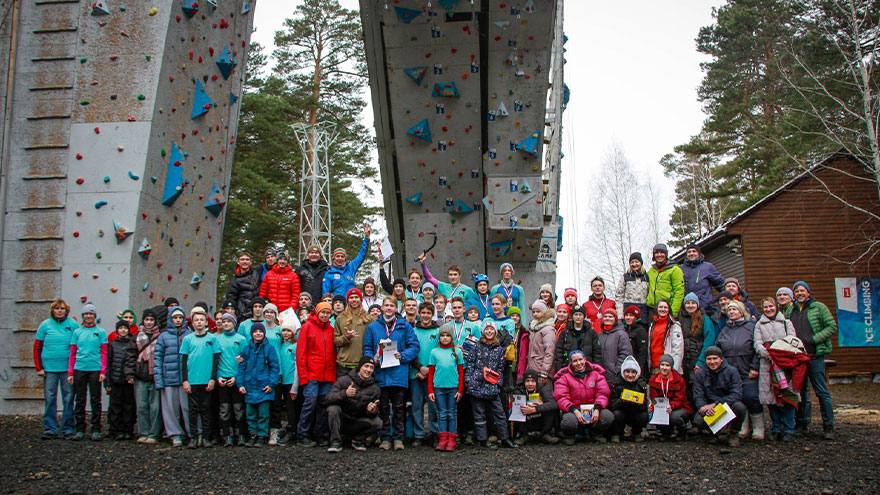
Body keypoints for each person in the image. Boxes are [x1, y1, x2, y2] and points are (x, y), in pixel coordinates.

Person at [363, 296, 420, 450]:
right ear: (382, 308)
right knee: (383, 408)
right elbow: (367, 347)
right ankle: (385, 437)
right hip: (381, 374)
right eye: (386, 305)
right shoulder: (373, 327)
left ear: (396, 308)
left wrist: (403, 355)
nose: (388, 308)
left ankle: (398, 438)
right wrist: (372, 358)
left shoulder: (404, 326)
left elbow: (414, 346)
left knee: (399, 408)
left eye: (391, 306)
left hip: (398, 373)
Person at [786, 280, 837, 440]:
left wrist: (814, 339)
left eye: (802, 291)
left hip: (815, 356)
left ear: (808, 292)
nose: (799, 293)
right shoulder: (791, 309)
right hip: (798, 358)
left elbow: (831, 326)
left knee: (822, 392)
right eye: (797, 291)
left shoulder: (818, 307)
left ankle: (829, 426)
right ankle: (803, 424)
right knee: (801, 393)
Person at [464, 323, 517, 449]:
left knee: (500, 413)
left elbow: (501, 368)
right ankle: (483, 440)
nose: (489, 331)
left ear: (495, 332)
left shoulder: (499, 349)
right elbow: (470, 364)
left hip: (492, 385)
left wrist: (498, 383)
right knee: (479, 414)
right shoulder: (476, 347)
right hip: (476, 385)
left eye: (491, 329)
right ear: (483, 331)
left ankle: (504, 438)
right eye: (487, 329)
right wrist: (469, 381)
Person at [715, 301, 762, 441]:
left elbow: (757, 348)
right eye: (729, 310)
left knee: (751, 396)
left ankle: (759, 427)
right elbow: (718, 348)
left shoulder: (751, 327)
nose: (732, 312)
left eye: (734, 309)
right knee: (737, 398)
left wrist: (755, 367)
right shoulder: (725, 329)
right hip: (730, 369)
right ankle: (743, 425)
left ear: (741, 311)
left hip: (747, 367)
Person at [34, 299, 78, 440]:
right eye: (57, 308)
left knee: (69, 398)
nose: (59, 310)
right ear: (52, 310)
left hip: (67, 369)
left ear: (67, 310)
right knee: (50, 398)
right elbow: (37, 347)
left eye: (62, 308)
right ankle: (50, 428)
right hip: (49, 369)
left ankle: (68, 428)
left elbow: (78, 346)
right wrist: (39, 367)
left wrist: (75, 367)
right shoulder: (45, 325)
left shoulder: (73, 325)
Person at [753, 297, 797, 441]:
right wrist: (768, 354)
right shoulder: (759, 325)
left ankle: (789, 429)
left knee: (787, 395)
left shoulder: (786, 322)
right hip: (767, 364)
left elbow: (792, 340)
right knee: (771, 397)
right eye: (765, 307)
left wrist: (779, 352)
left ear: (775, 306)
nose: (769, 309)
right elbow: (757, 344)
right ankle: (776, 427)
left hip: (785, 364)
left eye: (771, 306)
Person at [295, 301, 337, 447]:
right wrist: (303, 376)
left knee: (323, 406)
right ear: (317, 313)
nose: (325, 315)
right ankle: (302, 434)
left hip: (327, 374)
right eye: (322, 312)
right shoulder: (307, 327)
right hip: (312, 374)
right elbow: (300, 354)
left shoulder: (331, 330)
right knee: (309, 404)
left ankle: (320, 434)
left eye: (327, 313)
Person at [553, 350, 614, 445]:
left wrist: (597, 409)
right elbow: (561, 397)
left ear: (585, 359)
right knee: (569, 421)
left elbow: (603, 393)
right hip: (574, 411)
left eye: (580, 359)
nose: (578, 363)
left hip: (594, 409)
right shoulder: (564, 377)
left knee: (608, 417)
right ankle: (571, 435)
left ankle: (595, 433)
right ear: (571, 363)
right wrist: (574, 410)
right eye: (575, 361)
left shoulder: (596, 374)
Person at [180, 307, 220, 448]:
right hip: (192, 381)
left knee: (206, 410)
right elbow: (183, 361)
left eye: (201, 320)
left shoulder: (212, 338)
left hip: (206, 380)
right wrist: (185, 380)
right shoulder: (187, 339)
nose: (199, 322)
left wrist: (212, 379)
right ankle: (193, 437)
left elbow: (216, 360)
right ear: (192, 323)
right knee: (192, 411)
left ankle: (206, 437)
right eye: (196, 320)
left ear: (206, 322)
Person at [692, 346, 748, 447]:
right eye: (709, 359)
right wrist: (702, 407)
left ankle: (733, 433)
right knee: (698, 420)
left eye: (715, 358)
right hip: (709, 407)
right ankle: (717, 433)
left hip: (727, 405)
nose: (712, 362)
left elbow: (737, 394)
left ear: (721, 359)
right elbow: (698, 395)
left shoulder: (732, 371)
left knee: (740, 407)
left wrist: (715, 405)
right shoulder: (700, 374)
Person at [67, 303, 108, 441]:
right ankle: (80, 429)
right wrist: (70, 372)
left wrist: (103, 370)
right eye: (86, 314)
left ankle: (96, 429)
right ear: (83, 316)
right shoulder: (77, 332)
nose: (88, 316)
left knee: (95, 400)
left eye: (91, 314)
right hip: (79, 369)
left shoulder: (101, 332)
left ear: (95, 316)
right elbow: (72, 353)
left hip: (95, 370)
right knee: (80, 400)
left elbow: (104, 352)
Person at [326, 357, 382, 452]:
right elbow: (328, 398)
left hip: (358, 421)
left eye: (371, 367)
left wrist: (372, 410)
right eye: (366, 366)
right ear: (359, 367)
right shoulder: (344, 380)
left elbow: (374, 413)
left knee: (378, 422)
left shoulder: (375, 388)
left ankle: (358, 440)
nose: (368, 370)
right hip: (342, 419)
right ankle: (336, 441)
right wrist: (345, 393)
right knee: (332, 409)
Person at [237, 322, 280, 447]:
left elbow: (275, 368)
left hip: (264, 387)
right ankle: (252, 434)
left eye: (260, 331)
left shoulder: (269, 348)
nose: (258, 333)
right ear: (252, 334)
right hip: (249, 387)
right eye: (255, 332)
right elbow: (241, 367)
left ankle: (262, 435)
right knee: (250, 414)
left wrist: (271, 384)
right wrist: (240, 384)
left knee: (263, 414)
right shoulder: (246, 349)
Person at [154, 306, 192, 447]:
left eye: (180, 317)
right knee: (170, 409)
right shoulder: (163, 336)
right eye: (175, 317)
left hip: (185, 379)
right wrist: (159, 379)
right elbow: (158, 358)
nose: (177, 320)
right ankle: (175, 434)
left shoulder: (189, 334)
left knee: (187, 407)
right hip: (168, 377)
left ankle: (191, 432)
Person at [428, 327, 465, 451]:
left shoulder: (457, 352)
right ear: (439, 337)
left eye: (447, 335)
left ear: (451, 337)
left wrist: (460, 390)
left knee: (452, 413)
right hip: (438, 388)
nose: (445, 338)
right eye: (442, 335)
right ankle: (442, 439)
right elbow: (431, 372)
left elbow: (461, 372)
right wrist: (430, 390)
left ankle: (452, 439)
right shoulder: (434, 352)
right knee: (442, 414)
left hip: (453, 388)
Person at [410, 302, 439, 446]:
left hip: (433, 375)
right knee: (417, 405)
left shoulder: (438, 331)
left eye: (428, 313)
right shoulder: (413, 331)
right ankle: (419, 435)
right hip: (416, 374)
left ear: (432, 314)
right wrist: (420, 368)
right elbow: (410, 351)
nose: (425, 316)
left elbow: (440, 352)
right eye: (423, 313)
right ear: (419, 314)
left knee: (433, 405)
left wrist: (428, 370)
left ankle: (434, 433)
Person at [216, 313, 247, 447]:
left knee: (238, 408)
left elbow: (245, 361)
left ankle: (240, 434)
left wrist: (237, 377)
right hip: (222, 377)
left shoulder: (241, 339)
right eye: (224, 321)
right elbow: (214, 360)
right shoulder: (216, 339)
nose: (226, 324)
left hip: (237, 378)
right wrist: (218, 377)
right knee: (224, 409)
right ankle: (227, 436)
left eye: (229, 321)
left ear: (234, 323)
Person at [680, 292, 719, 397]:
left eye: (693, 303)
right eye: (688, 303)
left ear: (697, 304)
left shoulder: (704, 318)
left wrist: (701, 361)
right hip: (684, 361)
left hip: (698, 359)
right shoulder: (680, 319)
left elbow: (709, 340)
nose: (690, 305)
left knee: (699, 388)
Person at [647, 354, 691, 440]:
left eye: (667, 365)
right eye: (662, 365)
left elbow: (680, 399)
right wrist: (653, 406)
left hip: (679, 407)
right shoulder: (653, 379)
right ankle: (665, 433)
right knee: (654, 412)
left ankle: (682, 431)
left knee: (673, 417)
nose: (664, 368)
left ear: (671, 367)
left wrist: (671, 406)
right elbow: (653, 397)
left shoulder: (679, 380)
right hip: (661, 406)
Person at [134, 308, 162, 444]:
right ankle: (143, 432)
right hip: (141, 375)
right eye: (147, 319)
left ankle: (154, 433)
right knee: (141, 406)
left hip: (155, 375)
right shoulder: (137, 336)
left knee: (155, 407)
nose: (149, 322)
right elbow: (131, 356)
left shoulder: (160, 336)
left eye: (151, 320)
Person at [106, 320, 137, 440]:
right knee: (115, 406)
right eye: (121, 328)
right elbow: (108, 363)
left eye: (125, 328)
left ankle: (128, 430)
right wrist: (108, 382)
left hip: (128, 381)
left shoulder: (132, 343)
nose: (123, 330)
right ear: (117, 330)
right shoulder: (112, 344)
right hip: (115, 380)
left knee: (129, 406)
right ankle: (115, 429)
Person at [323, 225, 372, 297]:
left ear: (345, 259)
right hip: (338, 305)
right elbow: (325, 294)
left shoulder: (351, 267)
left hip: (352, 303)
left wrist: (366, 238)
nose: (340, 258)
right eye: (337, 256)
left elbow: (361, 255)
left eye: (342, 256)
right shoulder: (329, 273)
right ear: (333, 258)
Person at [513, 369, 559, 445]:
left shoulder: (543, 388)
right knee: (517, 409)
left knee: (550, 409)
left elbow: (553, 404)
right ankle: (523, 435)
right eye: (527, 381)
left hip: (540, 416)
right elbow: (514, 408)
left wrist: (536, 408)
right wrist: (527, 406)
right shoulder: (519, 390)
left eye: (533, 381)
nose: (530, 384)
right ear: (524, 382)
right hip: (526, 418)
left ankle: (545, 434)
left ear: (537, 381)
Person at [609, 356, 648, 443]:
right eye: (627, 371)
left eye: (633, 372)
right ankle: (617, 433)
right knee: (616, 414)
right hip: (621, 413)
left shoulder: (641, 384)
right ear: (623, 372)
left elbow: (645, 406)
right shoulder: (616, 383)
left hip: (635, 413)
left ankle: (637, 432)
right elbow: (611, 405)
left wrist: (637, 402)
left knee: (644, 415)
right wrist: (622, 401)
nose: (630, 375)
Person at [334, 288, 371, 376]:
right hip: (343, 364)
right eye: (351, 297)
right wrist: (346, 337)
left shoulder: (369, 318)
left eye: (356, 297)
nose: (354, 300)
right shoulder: (340, 318)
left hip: (361, 364)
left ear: (360, 300)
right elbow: (335, 341)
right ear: (347, 300)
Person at [679, 245, 725, 314]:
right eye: (689, 252)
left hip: (705, 309)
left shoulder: (708, 267)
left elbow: (721, 284)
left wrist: (728, 298)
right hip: (686, 309)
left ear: (699, 253)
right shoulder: (680, 269)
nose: (691, 253)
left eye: (694, 251)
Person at [554, 305, 600, 372]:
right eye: (576, 314)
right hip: (568, 368)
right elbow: (559, 352)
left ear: (584, 316)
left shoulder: (591, 332)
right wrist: (560, 369)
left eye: (580, 315)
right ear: (572, 316)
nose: (578, 317)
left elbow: (597, 353)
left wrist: (596, 369)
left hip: (587, 369)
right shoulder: (565, 332)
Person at [275, 319, 299, 445]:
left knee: (291, 408)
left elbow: (297, 366)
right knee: (278, 405)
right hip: (280, 380)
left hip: (290, 381)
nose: (285, 333)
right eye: (283, 330)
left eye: (288, 330)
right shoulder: (279, 345)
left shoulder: (295, 346)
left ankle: (293, 431)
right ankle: (282, 429)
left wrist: (295, 384)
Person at [646, 243, 685, 317]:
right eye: (656, 253)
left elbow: (679, 291)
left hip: (666, 309)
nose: (659, 255)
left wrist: (673, 312)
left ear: (666, 254)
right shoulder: (651, 271)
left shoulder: (675, 270)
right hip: (651, 310)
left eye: (662, 252)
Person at [647, 300, 684, 374]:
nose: (663, 309)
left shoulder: (674, 325)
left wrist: (674, 370)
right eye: (660, 307)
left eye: (665, 307)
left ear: (669, 309)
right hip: (654, 367)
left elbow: (678, 350)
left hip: (668, 368)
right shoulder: (652, 325)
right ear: (657, 309)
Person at [597, 311, 633, 386]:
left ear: (615, 319)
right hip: (601, 374)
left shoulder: (621, 334)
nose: (607, 318)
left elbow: (626, 353)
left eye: (610, 316)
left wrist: (617, 369)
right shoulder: (600, 335)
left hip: (615, 375)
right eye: (605, 316)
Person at [225, 251, 261, 320]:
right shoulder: (235, 280)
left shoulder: (256, 272)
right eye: (242, 259)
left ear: (251, 262)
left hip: (257, 311)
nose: (245, 262)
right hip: (242, 313)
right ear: (238, 262)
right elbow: (231, 298)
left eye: (247, 259)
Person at [615, 252, 649, 323]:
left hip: (643, 311)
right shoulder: (625, 277)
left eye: (636, 262)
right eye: (632, 262)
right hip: (628, 311)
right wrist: (620, 314)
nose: (634, 264)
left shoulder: (647, 277)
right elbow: (619, 296)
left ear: (641, 263)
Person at [526, 300, 557, 377]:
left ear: (544, 312)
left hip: (542, 371)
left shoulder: (548, 329)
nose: (535, 314)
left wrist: (544, 371)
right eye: (533, 312)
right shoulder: (535, 328)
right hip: (533, 368)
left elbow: (549, 352)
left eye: (538, 311)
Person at [622, 305, 649, 375]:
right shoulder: (625, 329)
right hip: (627, 367)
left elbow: (642, 353)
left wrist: (639, 370)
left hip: (637, 369)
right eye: (626, 315)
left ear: (636, 317)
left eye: (631, 315)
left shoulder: (641, 331)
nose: (628, 317)